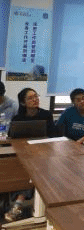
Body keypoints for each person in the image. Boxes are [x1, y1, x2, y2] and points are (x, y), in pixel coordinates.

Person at [4, 88, 56, 222]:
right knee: (17, 167)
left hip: (42, 154)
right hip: (23, 153)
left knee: (31, 168)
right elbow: (11, 137)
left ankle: (18, 204)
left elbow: (53, 135)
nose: (35, 99)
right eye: (31, 98)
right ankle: (18, 203)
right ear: (23, 102)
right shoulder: (18, 118)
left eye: (36, 96)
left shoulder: (46, 115)